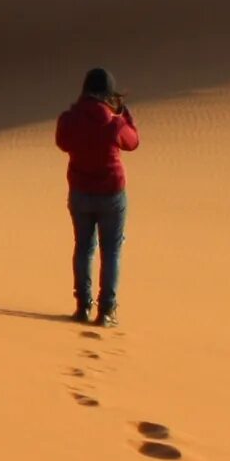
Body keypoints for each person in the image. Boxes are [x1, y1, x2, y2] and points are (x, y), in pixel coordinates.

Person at [54, 68, 138, 326]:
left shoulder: (69, 119)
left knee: (84, 248)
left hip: (81, 193)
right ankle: (107, 311)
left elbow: (62, 141)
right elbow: (133, 142)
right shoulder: (114, 123)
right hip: (111, 193)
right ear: (108, 95)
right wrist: (125, 114)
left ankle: (83, 307)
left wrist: (75, 113)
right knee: (111, 251)